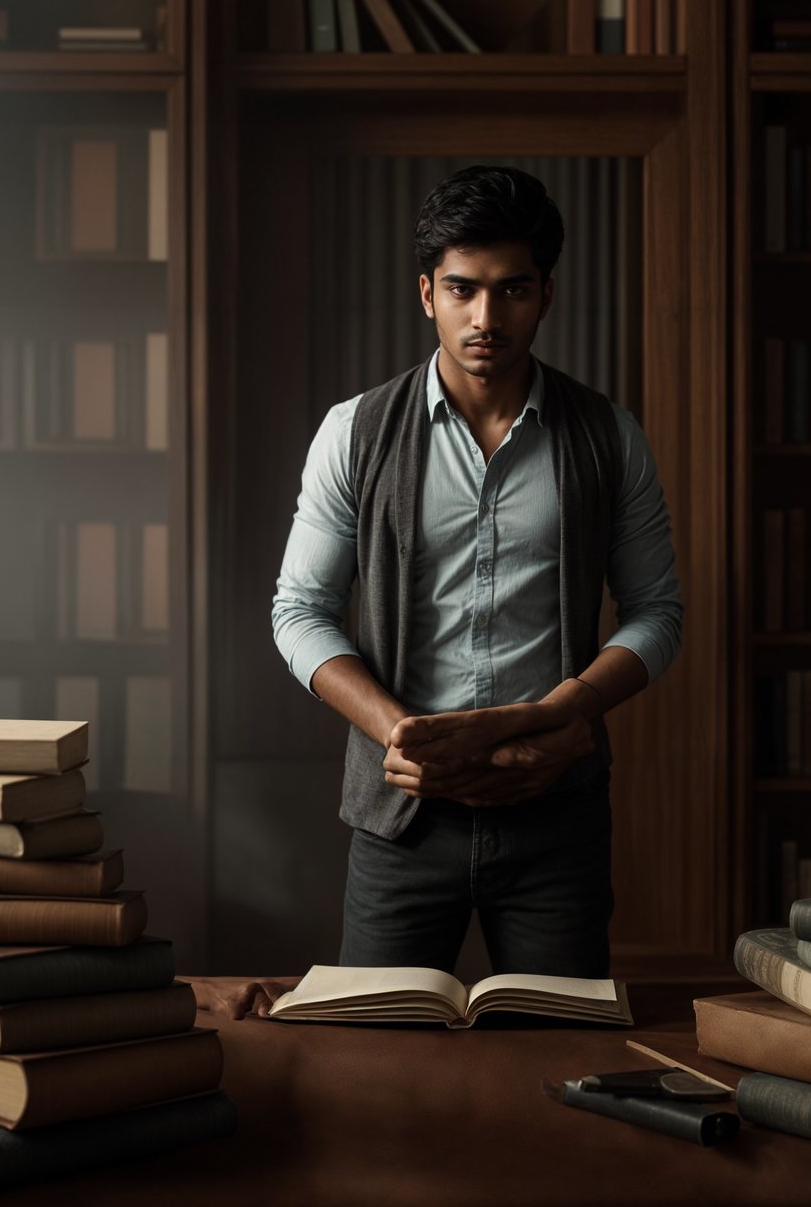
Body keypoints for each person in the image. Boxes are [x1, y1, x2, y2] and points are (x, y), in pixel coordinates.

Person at [232, 165, 683, 1018]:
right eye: (462, 290)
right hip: (404, 813)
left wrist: (566, 715)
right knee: (375, 1066)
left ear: (546, 294)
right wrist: (397, 732)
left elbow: (658, 612)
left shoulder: (607, 437)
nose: (486, 318)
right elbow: (298, 612)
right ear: (426, 293)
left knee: (565, 1059)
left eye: (511, 290)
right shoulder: (354, 432)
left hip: (557, 811)